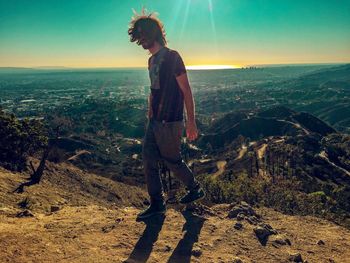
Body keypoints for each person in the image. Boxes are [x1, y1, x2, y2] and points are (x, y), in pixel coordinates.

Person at [128, 9, 205, 220]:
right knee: (148, 158)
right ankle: (157, 204)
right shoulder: (151, 61)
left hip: (171, 121)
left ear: (154, 33)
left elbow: (186, 90)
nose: (141, 40)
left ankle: (194, 187)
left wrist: (191, 123)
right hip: (155, 121)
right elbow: (154, 89)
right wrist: (150, 110)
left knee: (172, 160)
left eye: (143, 35)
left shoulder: (172, 57)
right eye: (138, 36)